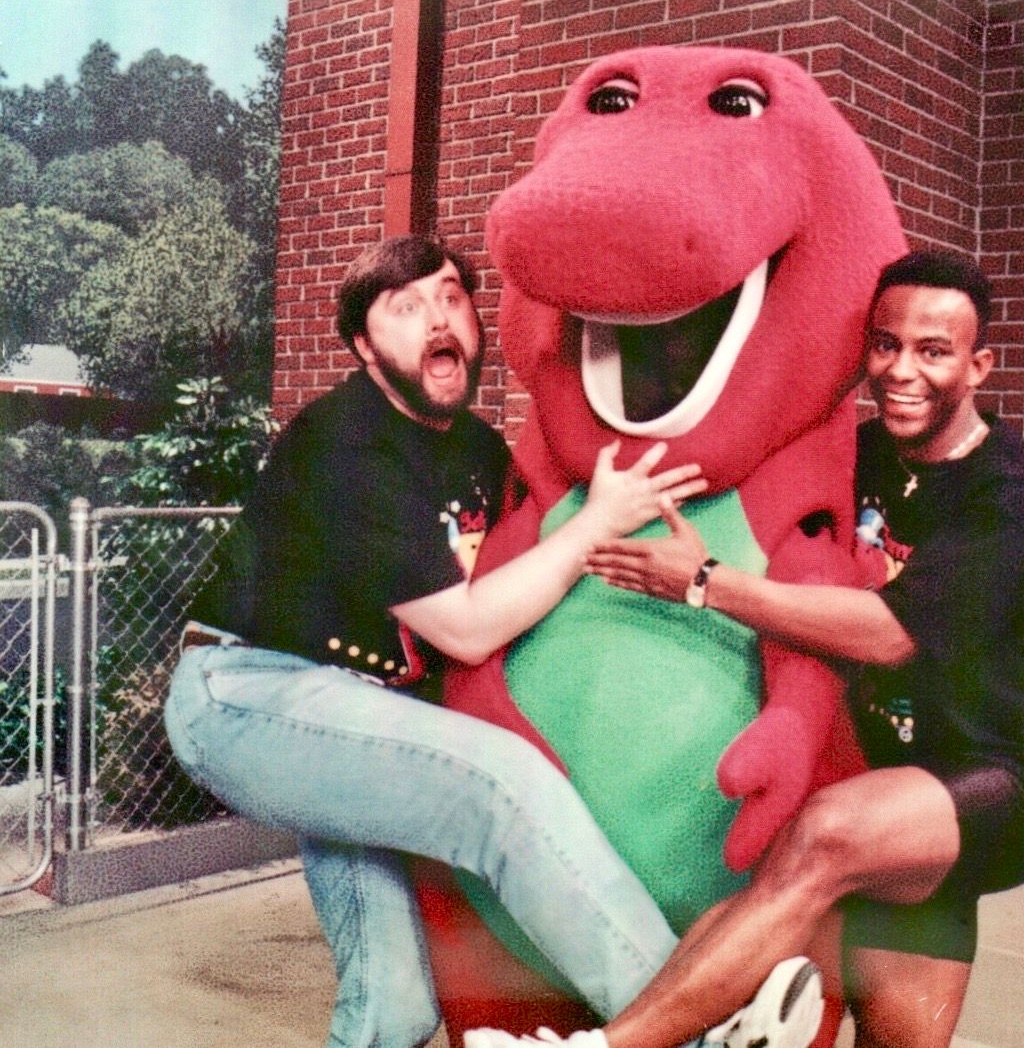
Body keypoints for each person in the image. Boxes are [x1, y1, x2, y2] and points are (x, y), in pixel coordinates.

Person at [527, 250, 1024, 1048]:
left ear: (979, 367)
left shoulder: (1008, 494)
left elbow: (892, 635)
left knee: (824, 834)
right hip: (893, 776)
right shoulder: (862, 454)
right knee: (891, 1025)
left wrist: (707, 580)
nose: (902, 369)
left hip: (1008, 778)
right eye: (885, 344)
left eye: (933, 351)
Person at [164, 236, 725, 1047]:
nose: (440, 319)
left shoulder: (475, 450)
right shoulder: (344, 440)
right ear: (364, 346)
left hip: (359, 721)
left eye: (453, 296)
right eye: (408, 306)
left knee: (395, 1011)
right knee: (500, 788)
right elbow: (466, 627)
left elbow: (525, 574)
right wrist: (599, 522)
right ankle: (689, 1028)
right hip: (251, 695)